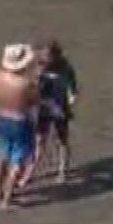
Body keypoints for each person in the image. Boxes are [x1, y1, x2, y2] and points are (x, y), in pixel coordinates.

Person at [0, 47, 40, 210]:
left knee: (2, 154)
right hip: (20, 121)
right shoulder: (25, 84)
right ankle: (6, 200)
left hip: (2, 117)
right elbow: (34, 101)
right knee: (17, 161)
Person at [32, 44, 75, 183]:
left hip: (60, 109)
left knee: (61, 140)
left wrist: (70, 102)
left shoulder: (66, 69)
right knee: (39, 140)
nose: (44, 59)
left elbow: (72, 90)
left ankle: (63, 169)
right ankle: (31, 170)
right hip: (44, 108)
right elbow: (34, 88)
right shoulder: (40, 67)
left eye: (47, 57)